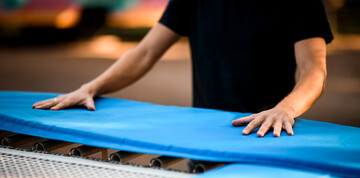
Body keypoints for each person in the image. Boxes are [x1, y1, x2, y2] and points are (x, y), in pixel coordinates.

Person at [32, 0, 333, 137]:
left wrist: (285, 109)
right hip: (205, 138)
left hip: (266, 136)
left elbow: (314, 70)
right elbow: (146, 51)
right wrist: (90, 88)